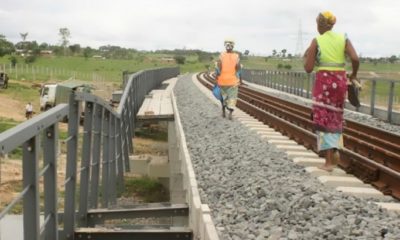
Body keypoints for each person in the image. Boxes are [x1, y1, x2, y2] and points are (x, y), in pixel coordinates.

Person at [303, 11, 359, 172]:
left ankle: (329, 162)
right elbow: (355, 59)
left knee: (322, 118)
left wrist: (307, 56)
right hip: (340, 81)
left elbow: (308, 68)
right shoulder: (343, 37)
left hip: (323, 83)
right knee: (336, 115)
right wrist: (353, 74)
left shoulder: (317, 40)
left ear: (320, 25)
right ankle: (334, 148)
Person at [215, 38, 242, 120]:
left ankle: (223, 111)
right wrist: (240, 79)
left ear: (225, 46)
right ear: (233, 47)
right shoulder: (236, 56)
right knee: (232, 98)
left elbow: (218, 69)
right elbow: (238, 69)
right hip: (233, 82)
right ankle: (230, 113)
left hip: (222, 81)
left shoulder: (221, 55)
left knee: (223, 97)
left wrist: (216, 78)